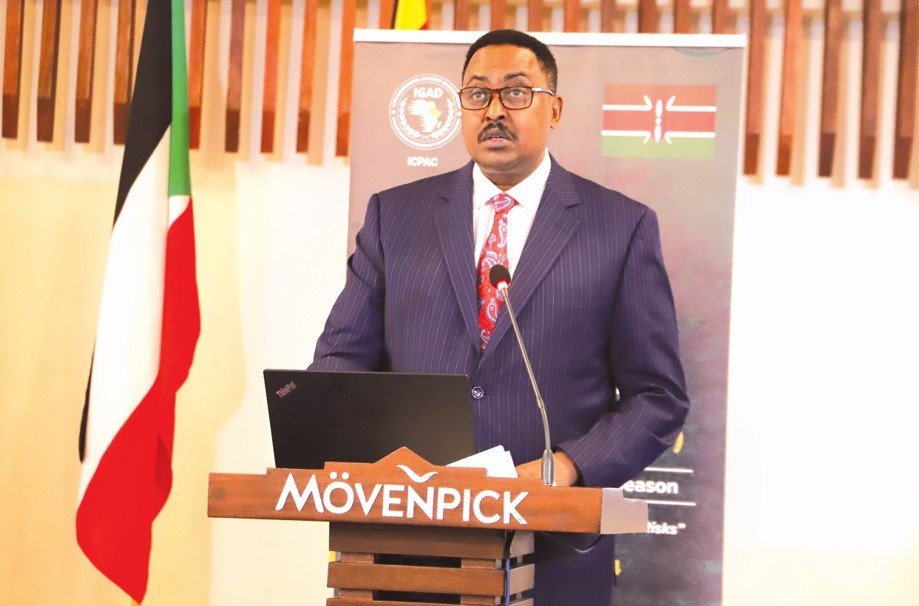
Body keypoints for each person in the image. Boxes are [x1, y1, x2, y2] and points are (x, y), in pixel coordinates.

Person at [309, 29, 689, 604]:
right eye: (477, 94)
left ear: (554, 108)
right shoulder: (396, 216)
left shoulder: (620, 226)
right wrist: (323, 432)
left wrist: (567, 468)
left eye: (515, 93)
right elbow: (342, 358)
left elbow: (657, 396)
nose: (493, 111)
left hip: (555, 550)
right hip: (410, 547)